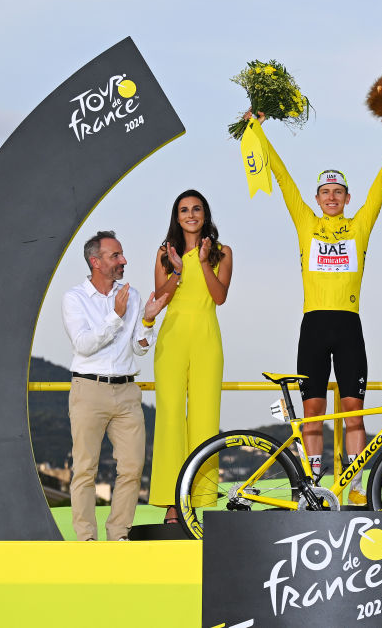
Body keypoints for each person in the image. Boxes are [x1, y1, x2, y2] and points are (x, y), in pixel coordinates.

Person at [247, 110, 382, 505]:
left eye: (338, 192)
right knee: (313, 413)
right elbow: (282, 180)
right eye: (325, 192)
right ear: (317, 199)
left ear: (347, 198)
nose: (332, 198)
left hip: (349, 325)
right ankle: (313, 485)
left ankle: (352, 484)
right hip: (314, 326)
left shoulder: (359, 225)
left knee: (354, 412)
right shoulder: (306, 223)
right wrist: (259, 133)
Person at [61, 230, 168, 541]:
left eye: (121, 255)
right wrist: (116, 316)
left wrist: (147, 321)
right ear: (96, 262)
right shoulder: (75, 298)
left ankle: (119, 534)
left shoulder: (131, 295)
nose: (124, 261)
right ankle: (86, 539)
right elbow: (83, 345)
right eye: (115, 256)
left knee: (133, 468)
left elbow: (140, 347)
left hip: (126, 391)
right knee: (85, 469)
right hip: (88, 390)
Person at [148, 190, 233, 525]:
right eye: (184, 210)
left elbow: (220, 296)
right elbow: (160, 298)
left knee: (203, 418)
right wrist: (179, 271)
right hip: (172, 340)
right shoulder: (164, 253)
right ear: (177, 216)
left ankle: (195, 499)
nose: (191, 215)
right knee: (170, 419)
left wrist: (201, 262)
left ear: (205, 213)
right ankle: (173, 501)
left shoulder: (222, 253)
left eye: (196, 209)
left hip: (207, 341)